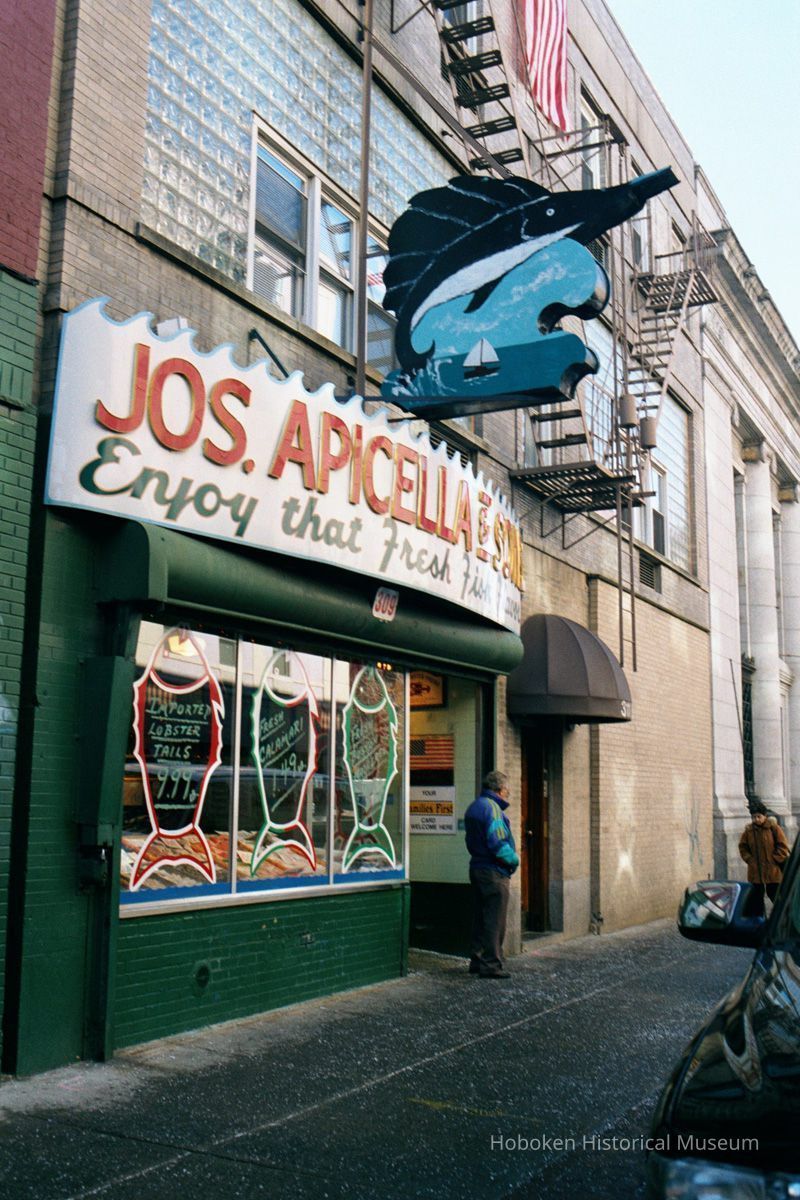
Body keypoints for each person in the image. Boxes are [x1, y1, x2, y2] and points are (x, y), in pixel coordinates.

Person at [464, 769, 519, 978]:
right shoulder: (493, 809)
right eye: (507, 791)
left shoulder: (474, 807)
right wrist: (514, 860)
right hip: (493, 871)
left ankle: (477, 960)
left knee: (480, 917)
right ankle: (491, 964)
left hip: (476, 867)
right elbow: (497, 843)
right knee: (495, 919)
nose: (508, 795)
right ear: (500, 789)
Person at [738, 800, 790, 915]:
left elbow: (783, 845)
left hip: (773, 870)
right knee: (756, 898)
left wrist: (775, 859)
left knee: (775, 895)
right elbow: (743, 847)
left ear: (764, 816)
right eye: (753, 817)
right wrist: (749, 859)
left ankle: (782, 916)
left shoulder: (773, 828)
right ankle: (760, 920)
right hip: (756, 871)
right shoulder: (749, 831)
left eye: (758, 816)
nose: (756, 819)